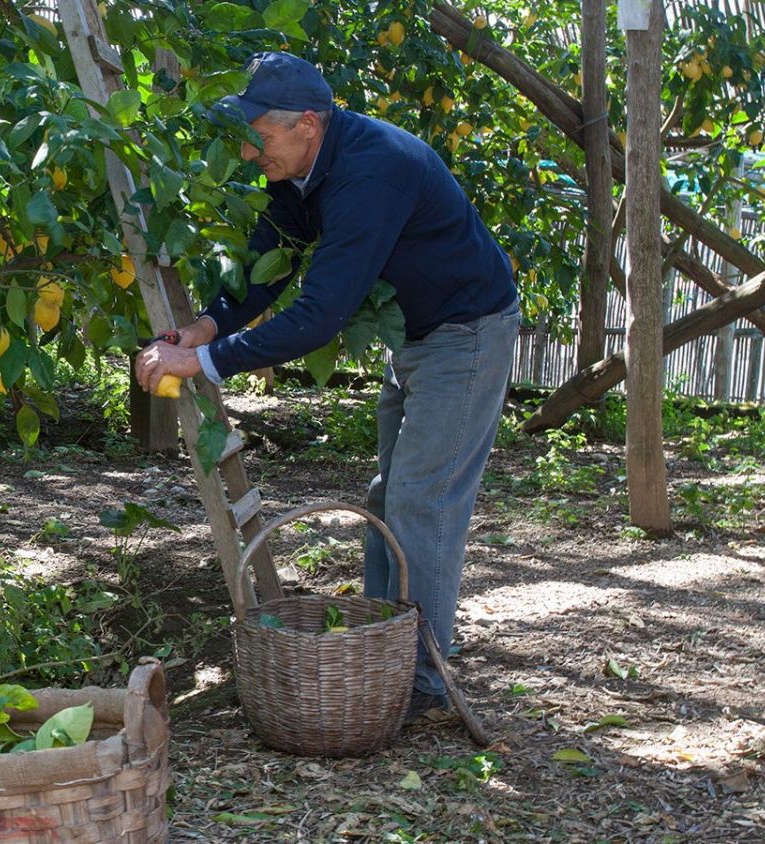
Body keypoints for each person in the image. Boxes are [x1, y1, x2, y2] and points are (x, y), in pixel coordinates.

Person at [134, 51, 520, 724]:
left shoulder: (372, 171)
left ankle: (422, 686)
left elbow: (322, 314)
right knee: (389, 496)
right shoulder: (305, 169)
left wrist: (210, 363)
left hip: (466, 334)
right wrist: (206, 325)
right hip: (418, 338)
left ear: (307, 123)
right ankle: (381, 652)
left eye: (260, 133)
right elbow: (268, 258)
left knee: (421, 503)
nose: (252, 150)